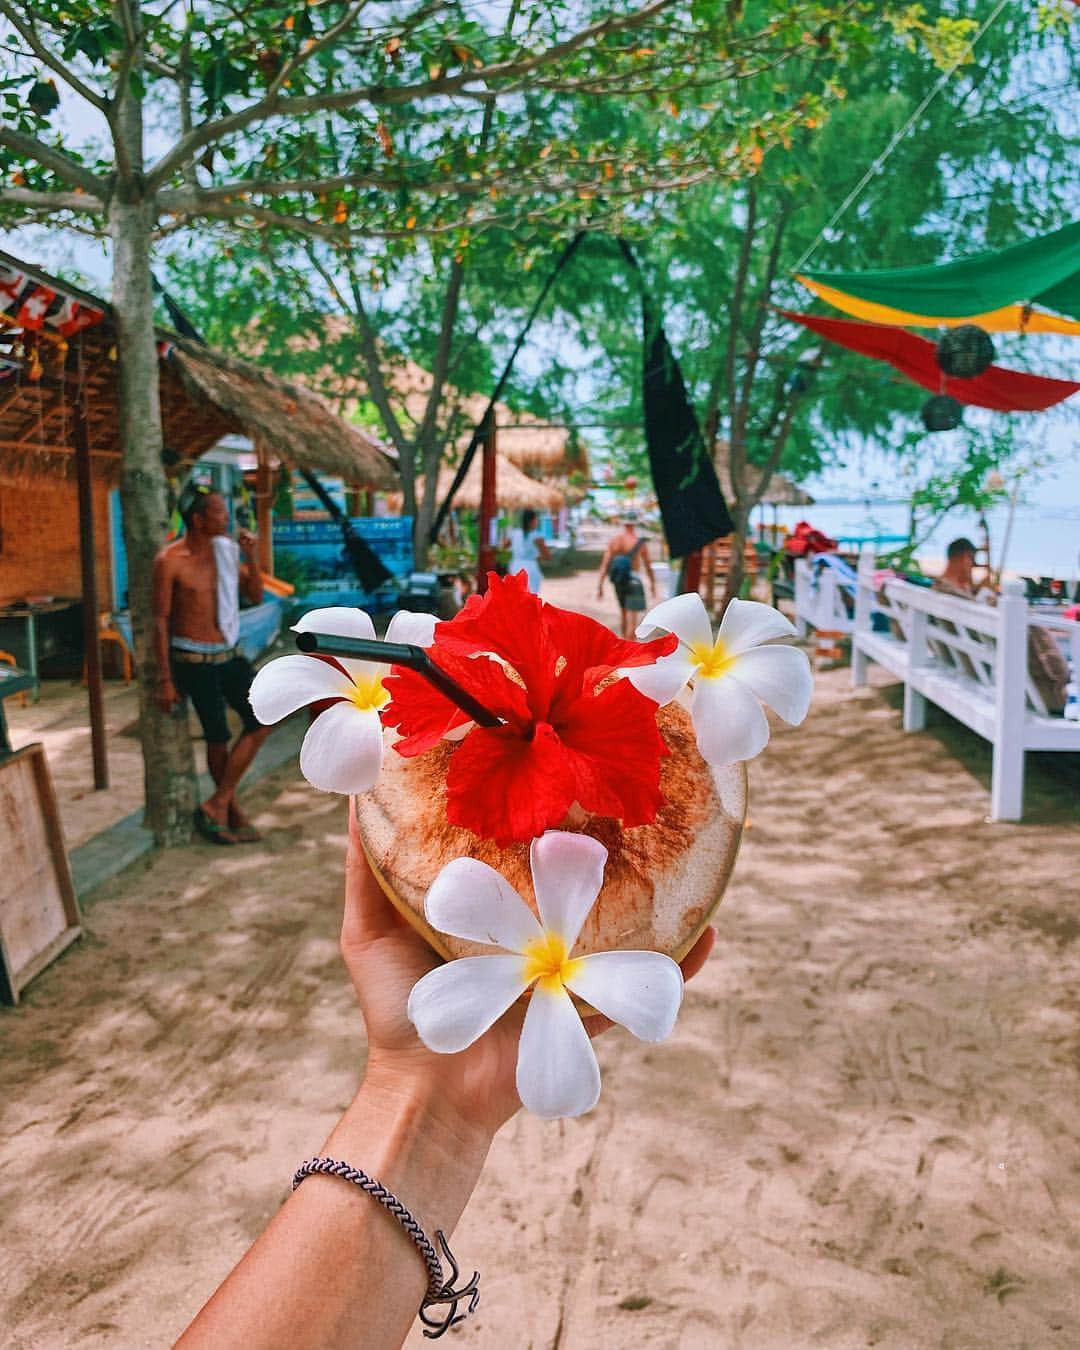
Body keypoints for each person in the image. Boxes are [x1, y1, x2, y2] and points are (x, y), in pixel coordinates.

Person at [177, 804, 716, 1349]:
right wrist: (431, 1095)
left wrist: (432, 1099)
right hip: (539, 968)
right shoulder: (455, 990)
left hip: (543, 972)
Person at [152, 488, 271, 844]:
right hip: (192, 661)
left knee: (263, 718)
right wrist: (165, 681)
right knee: (217, 737)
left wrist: (251, 557)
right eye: (219, 513)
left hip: (228, 654)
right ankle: (230, 811)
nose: (227, 519)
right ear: (199, 520)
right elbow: (160, 621)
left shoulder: (225, 553)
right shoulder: (170, 561)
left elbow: (255, 596)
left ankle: (219, 802)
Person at [934, 536, 1068, 714]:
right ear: (966, 558)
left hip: (974, 663)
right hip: (1003, 676)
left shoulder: (942, 592)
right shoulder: (956, 596)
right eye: (973, 562)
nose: (973, 568)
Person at [597, 512, 657, 638]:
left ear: (624, 524)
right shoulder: (639, 542)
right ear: (635, 524)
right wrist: (652, 584)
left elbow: (605, 564)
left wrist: (600, 586)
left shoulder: (615, 541)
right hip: (633, 580)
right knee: (632, 618)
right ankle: (630, 647)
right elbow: (648, 566)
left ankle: (623, 644)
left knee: (623, 614)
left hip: (618, 580)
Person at [505, 508, 551, 594]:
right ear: (533, 520)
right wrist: (535, 556)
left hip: (515, 565)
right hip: (530, 567)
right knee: (530, 595)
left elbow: (504, 546)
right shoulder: (537, 536)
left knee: (516, 594)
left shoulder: (514, 533)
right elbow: (547, 556)